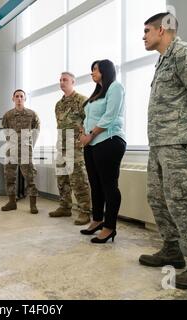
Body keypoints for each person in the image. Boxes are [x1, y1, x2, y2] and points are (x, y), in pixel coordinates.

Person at [139, 12, 187, 290]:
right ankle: (172, 248)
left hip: (180, 142)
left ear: (162, 30)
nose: (144, 36)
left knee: (184, 200)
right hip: (160, 143)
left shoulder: (186, 54)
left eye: (147, 30)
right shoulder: (163, 60)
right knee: (158, 198)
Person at [79, 60, 126, 243]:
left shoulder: (115, 87)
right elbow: (88, 118)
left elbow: (110, 115)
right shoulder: (97, 93)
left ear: (105, 71)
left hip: (109, 141)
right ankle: (97, 220)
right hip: (91, 144)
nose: (92, 73)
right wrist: (84, 134)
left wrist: (90, 134)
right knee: (95, 184)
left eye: (95, 70)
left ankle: (109, 227)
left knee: (109, 186)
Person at [49, 72, 91, 225]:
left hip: (75, 148)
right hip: (62, 147)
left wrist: (83, 139)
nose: (61, 82)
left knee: (78, 180)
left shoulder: (82, 100)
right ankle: (65, 207)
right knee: (62, 178)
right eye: (60, 80)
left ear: (73, 81)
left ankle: (85, 212)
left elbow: (90, 122)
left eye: (65, 80)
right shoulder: (58, 105)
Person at [1, 89, 40, 214]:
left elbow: (36, 130)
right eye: (16, 96)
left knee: (30, 177)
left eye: (21, 96)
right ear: (13, 99)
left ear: (25, 99)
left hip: (25, 150)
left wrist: (29, 144)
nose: (19, 99)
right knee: (9, 176)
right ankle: (12, 202)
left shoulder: (32, 114)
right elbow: (5, 130)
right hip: (11, 149)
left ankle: (33, 205)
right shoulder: (7, 115)